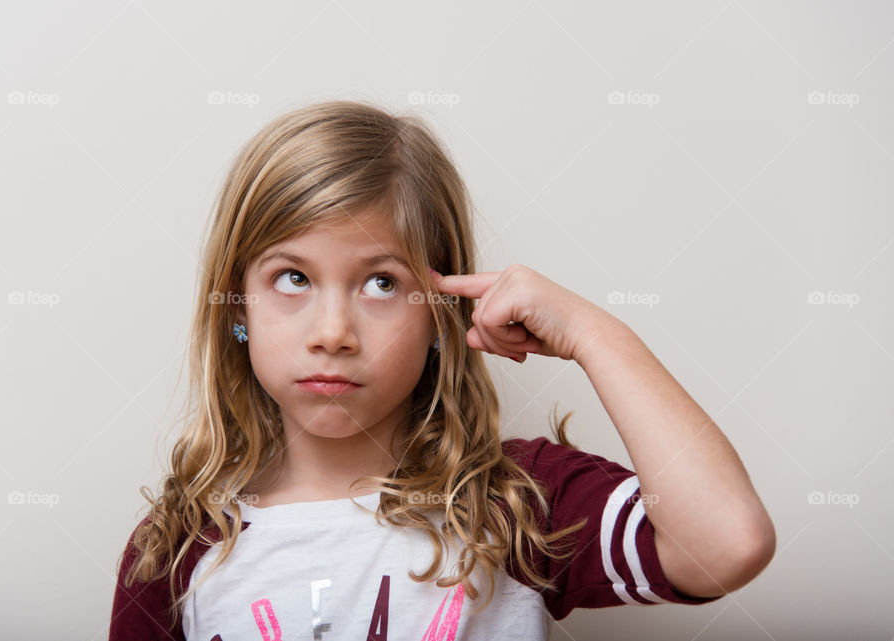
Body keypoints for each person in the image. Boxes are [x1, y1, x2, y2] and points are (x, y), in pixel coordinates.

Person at [108, 99, 776, 641]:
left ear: (439, 310)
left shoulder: (514, 503)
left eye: (379, 283)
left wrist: (592, 333)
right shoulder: (178, 549)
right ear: (236, 308)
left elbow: (726, 543)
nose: (333, 333)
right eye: (292, 277)